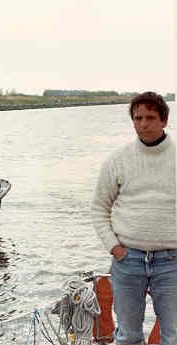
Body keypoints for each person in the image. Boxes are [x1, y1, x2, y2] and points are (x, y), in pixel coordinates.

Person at [91, 91, 176, 345]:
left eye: (150, 117)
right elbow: (99, 208)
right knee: (128, 337)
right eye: (137, 118)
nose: (143, 124)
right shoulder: (117, 160)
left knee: (173, 337)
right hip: (128, 261)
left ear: (164, 119)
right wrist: (115, 248)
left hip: (172, 263)